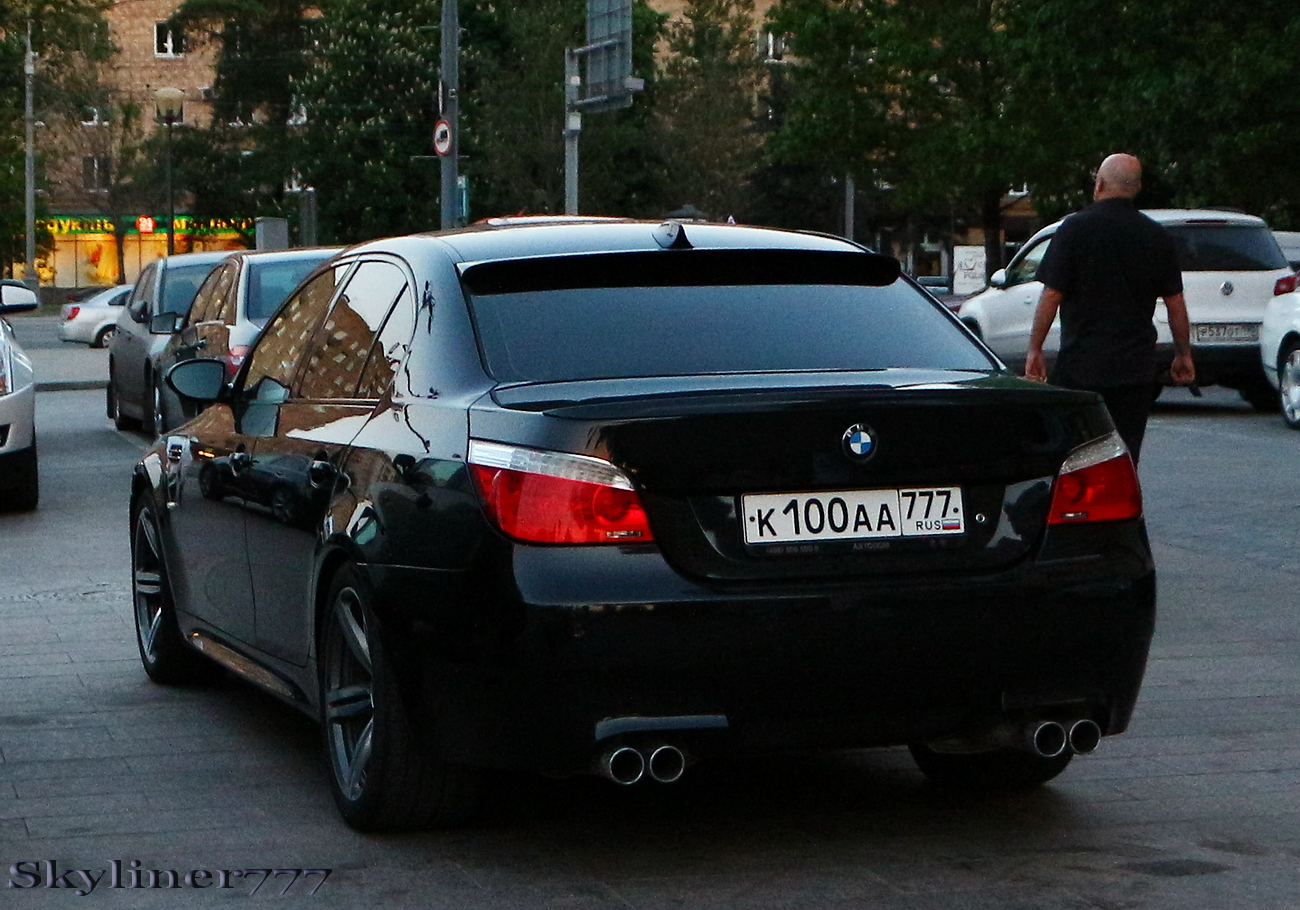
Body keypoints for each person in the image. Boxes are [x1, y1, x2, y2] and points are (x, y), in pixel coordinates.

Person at [1025, 153, 1195, 463]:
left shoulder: (1074, 229)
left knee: (1076, 456)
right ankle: (1124, 509)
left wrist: (1035, 348)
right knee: (1126, 456)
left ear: (1099, 184)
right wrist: (1183, 354)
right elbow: (1176, 305)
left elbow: (1052, 295)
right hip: (1135, 369)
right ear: (1138, 187)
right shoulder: (1156, 236)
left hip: (1081, 365)